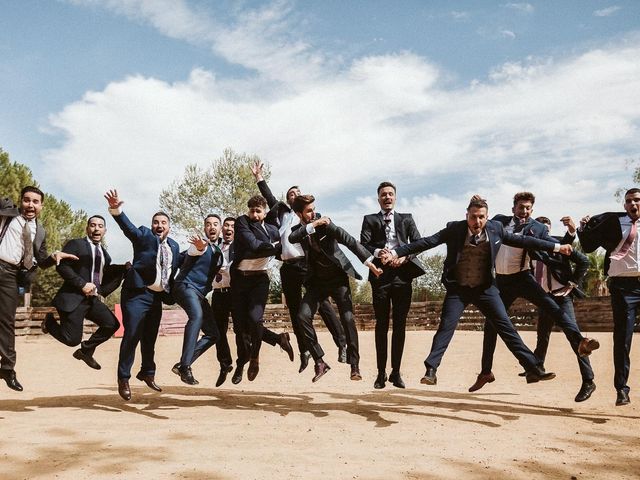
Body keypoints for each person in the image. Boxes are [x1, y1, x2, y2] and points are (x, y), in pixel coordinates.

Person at [381, 195, 579, 387]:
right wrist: (396, 252)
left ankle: (533, 367)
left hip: (485, 288)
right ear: (467, 214)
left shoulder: (496, 229)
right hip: (458, 288)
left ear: (487, 217)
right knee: (446, 327)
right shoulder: (454, 229)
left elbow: (526, 242)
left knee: (506, 327)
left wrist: (557, 247)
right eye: (473, 216)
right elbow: (426, 242)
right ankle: (431, 370)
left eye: (481, 217)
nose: (477, 221)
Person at [468, 192, 599, 394]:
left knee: (554, 308)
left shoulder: (536, 229)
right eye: (521, 207)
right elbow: (479, 221)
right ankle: (487, 371)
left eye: (529, 208)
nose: (525, 211)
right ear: (514, 208)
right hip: (500, 281)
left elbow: (552, 244)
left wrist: (572, 235)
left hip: (523, 277)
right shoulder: (500, 221)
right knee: (491, 324)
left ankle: (582, 347)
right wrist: (478, 202)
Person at [252, 160, 346, 372]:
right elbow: (269, 197)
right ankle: (305, 351)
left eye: (298, 192)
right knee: (295, 311)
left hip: (307, 264)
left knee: (323, 304)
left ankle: (342, 343)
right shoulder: (283, 215)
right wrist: (259, 178)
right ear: (288, 200)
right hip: (288, 268)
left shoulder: (312, 218)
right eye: (291, 193)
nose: (294, 194)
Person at [289, 194, 382, 382]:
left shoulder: (326, 224)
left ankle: (354, 365)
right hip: (316, 283)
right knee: (301, 317)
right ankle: (320, 361)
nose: (314, 213)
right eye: (309, 211)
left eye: (314, 208)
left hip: (338, 280)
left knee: (348, 319)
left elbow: (349, 240)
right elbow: (292, 238)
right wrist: (312, 226)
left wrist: (369, 262)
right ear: (299, 214)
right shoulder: (300, 229)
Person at [105, 189, 180, 401]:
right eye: (156, 221)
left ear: (169, 226)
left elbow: (180, 265)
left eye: (163, 222)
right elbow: (127, 228)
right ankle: (123, 377)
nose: (159, 225)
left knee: (150, 338)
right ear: (152, 224)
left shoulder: (174, 245)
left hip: (157, 297)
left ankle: (147, 372)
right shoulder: (144, 235)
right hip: (137, 294)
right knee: (132, 334)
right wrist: (117, 210)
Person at [0, 187, 77, 391]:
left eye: (35, 202)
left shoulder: (40, 231)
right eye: (26, 200)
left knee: (7, 321)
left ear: (41, 206)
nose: (30, 205)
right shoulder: (8, 213)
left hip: (10, 276)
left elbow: (41, 261)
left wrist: (54, 257)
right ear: (20, 201)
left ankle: (7, 368)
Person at [578, 187, 640, 406]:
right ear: (624, 206)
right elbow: (587, 245)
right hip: (624, 288)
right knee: (623, 339)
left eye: (637, 200)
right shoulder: (615, 224)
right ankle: (621, 389)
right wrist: (582, 228)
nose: (634, 204)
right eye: (629, 201)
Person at [360, 181, 425, 389]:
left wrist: (403, 257)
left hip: (402, 276)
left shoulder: (407, 219)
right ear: (378, 198)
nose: (387, 197)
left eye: (390, 194)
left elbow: (418, 242)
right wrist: (380, 253)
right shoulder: (369, 219)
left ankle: (396, 373)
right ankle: (380, 374)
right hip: (379, 275)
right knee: (381, 325)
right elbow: (364, 244)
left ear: (395, 197)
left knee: (400, 325)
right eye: (383, 194)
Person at [43, 215, 126, 371]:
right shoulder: (76, 244)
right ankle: (49, 323)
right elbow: (62, 266)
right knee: (71, 340)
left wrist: (124, 268)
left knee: (112, 324)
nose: (96, 229)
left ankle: (86, 350)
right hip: (73, 298)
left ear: (105, 231)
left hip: (92, 300)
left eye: (100, 226)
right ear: (87, 228)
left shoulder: (105, 255)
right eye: (93, 225)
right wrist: (81, 284)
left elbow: (105, 274)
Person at [527, 216, 594, 402]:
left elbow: (583, 261)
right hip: (544, 298)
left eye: (546, 230)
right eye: (539, 230)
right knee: (542, 336)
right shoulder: (530, 249)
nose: (544, 234)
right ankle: (536, 369)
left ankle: (588, 380)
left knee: (575, 339)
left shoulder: (558, 244)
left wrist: (572, 284)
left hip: (562, 297)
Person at [232, 195, 294, 383]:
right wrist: (274, 248)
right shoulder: (242, 222)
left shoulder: (273, 229)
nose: (254, 214)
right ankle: (278, 340)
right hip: (239, 280)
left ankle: (254, 358)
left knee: (254, 319)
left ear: (265, 212)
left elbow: (284, 244)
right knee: (240, 328)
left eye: (258, 211)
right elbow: (253, 244)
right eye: (251, 210)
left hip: (259, 280)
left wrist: (274, 248)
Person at [171, 214, 223, 385]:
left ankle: (182, 364)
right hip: (186, 286)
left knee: (213, 334)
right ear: (205, 228)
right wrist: (199, 247)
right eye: (208, 224)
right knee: (197, 316)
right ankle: (186, 366)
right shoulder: (200, 244)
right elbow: (195, 250)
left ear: (220, 228)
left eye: (215, 224)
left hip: (200, 294)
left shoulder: (219, 252)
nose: (212, 227)